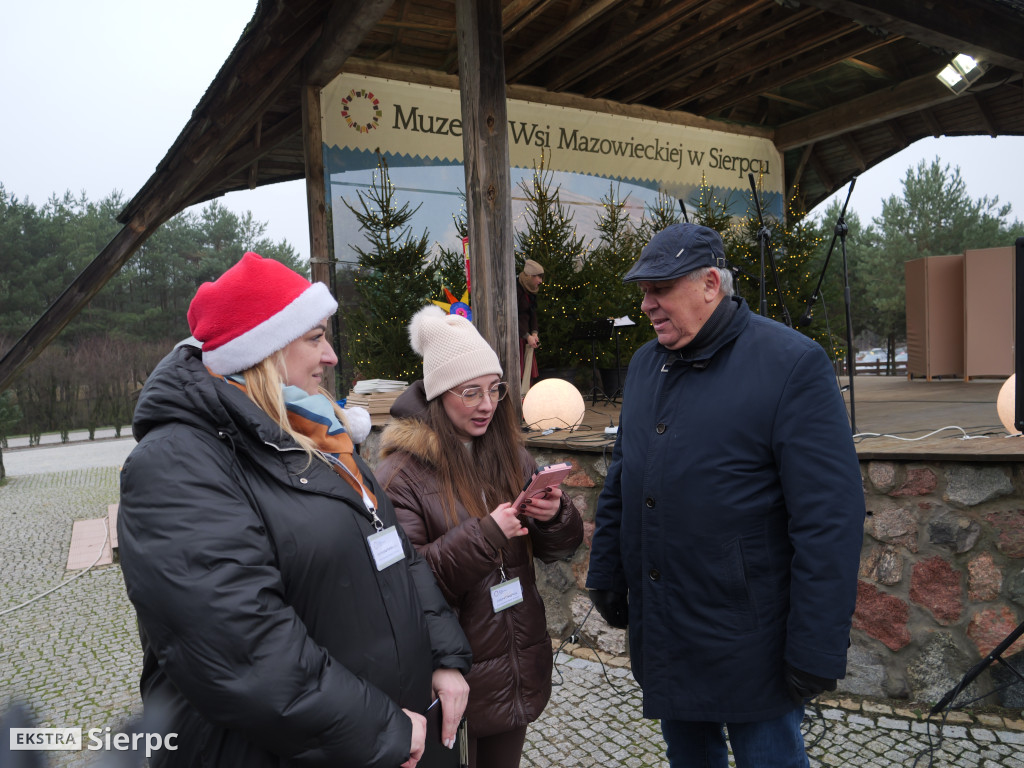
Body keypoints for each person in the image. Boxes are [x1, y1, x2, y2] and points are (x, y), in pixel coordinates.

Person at [118, 252, 472, 768]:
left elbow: (398, 553)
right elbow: (244, 647)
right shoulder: (176, 464)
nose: (331, 356)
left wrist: (445, 657)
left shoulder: (317, 433)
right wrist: (382, 727)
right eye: (315, 337)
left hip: (398, 733)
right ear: (261, 349)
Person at [585, 223, 865, 768]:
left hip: (751, 642)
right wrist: (607, 573)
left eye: (659, 289)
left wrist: (815, 646)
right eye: (643, 291)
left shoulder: (792, 364)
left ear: (711, 284)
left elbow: (829, 519)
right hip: (669, 625)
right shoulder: (646, 365)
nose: (646, 305)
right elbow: (624, 478)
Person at [375, 305, 583, 768]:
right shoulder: (400, 475)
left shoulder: (510, 455)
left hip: (514, 663)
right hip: (453, 675)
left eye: (494, 390)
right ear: (437, 395)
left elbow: (561, 548)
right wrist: (486, 535)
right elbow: (405, 582)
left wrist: (554, 515)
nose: (487, 405)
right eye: (470, 393)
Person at [516, 259, 544, 383]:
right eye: (539, 277)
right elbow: (513, 318)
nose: (540, 281)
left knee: (528, 376)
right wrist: (527, 336)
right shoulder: (516, 289)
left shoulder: (530, 291)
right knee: (520, 374)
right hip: (517, 339)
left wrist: (534, 333)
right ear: (531, 276)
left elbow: (532, 314)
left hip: (526, 338)